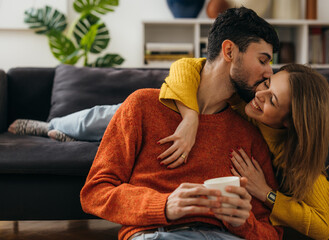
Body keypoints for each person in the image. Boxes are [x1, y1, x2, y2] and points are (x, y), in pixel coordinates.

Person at [80, 7, 283, 240]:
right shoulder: (142, 106)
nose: (269, 73)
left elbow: (272, 233)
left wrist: (243, 223)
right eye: (263, 60)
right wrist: (164, 205)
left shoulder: (249, 133)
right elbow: (95, 193)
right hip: (158, 234)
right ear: (229, 51)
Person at [159, 58, 329, 239]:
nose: (260, 95)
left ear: (290, 121)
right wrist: (190, 118)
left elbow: (323, 228)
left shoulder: (299, 161)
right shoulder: (244, 103)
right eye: (266, 84)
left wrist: (266, 193)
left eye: (272, 100)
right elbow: (186, 65)